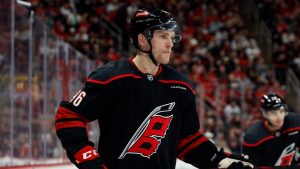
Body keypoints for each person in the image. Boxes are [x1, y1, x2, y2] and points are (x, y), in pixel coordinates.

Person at [55, 8, 253, 169]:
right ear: (142, 40)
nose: (170, 44)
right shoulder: (111, 78)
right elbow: (68, 116)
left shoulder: (181, 86)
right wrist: (89, 160)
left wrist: (217, 160)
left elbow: (186, 139)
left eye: (172, 37)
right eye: (163, 36)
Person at [242, 93, 300, 167]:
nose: (279, 118)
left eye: (281, 111)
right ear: (265, 114)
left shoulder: (296, 122)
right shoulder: (253, 136)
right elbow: (250, 166)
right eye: (273, 113)